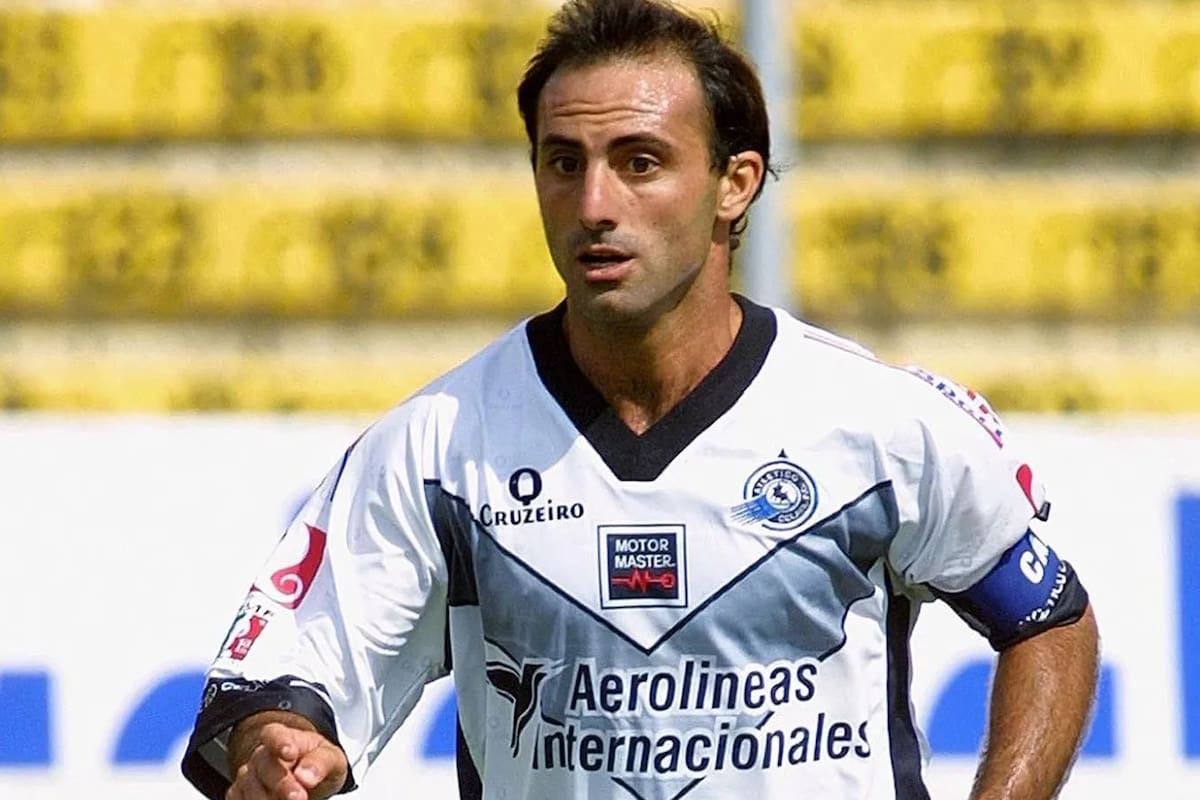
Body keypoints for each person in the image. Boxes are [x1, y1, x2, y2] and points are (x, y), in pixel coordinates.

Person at [180, 1, 1100, 798]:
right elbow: (289, 676)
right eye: (563, 162)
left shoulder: (876, 423)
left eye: (641, 162)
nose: (594, 203)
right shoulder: (437, 448)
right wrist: (277, 747)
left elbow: (1049, 621)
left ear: (734, 184)